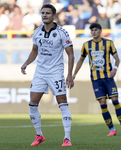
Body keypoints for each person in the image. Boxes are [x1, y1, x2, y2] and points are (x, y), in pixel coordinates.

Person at [21, 3, 74, 147]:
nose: (45, 15)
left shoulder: (62, 33)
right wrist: (26, 63)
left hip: (56, 73)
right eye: (43, 13)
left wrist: (69, 75)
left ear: (54, 15)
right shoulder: (37, 32)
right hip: (40, 72)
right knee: (32, 104)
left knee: (62, 103)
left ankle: (67, 138)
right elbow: (34, 50)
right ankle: (39, 135)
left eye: (47, 13)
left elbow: (70, 54)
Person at [72, 23, 121, 136]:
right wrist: (74, 74)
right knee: (103, 103)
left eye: (95, 30)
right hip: (96, 80)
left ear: (100, 31)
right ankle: (112, 130)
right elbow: (80, 60)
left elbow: (117, 59)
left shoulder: (108, 43)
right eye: (92, 30)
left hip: (108, 78)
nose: (93, 32)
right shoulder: (86, 45)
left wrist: (115, 69)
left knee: (115, 100)